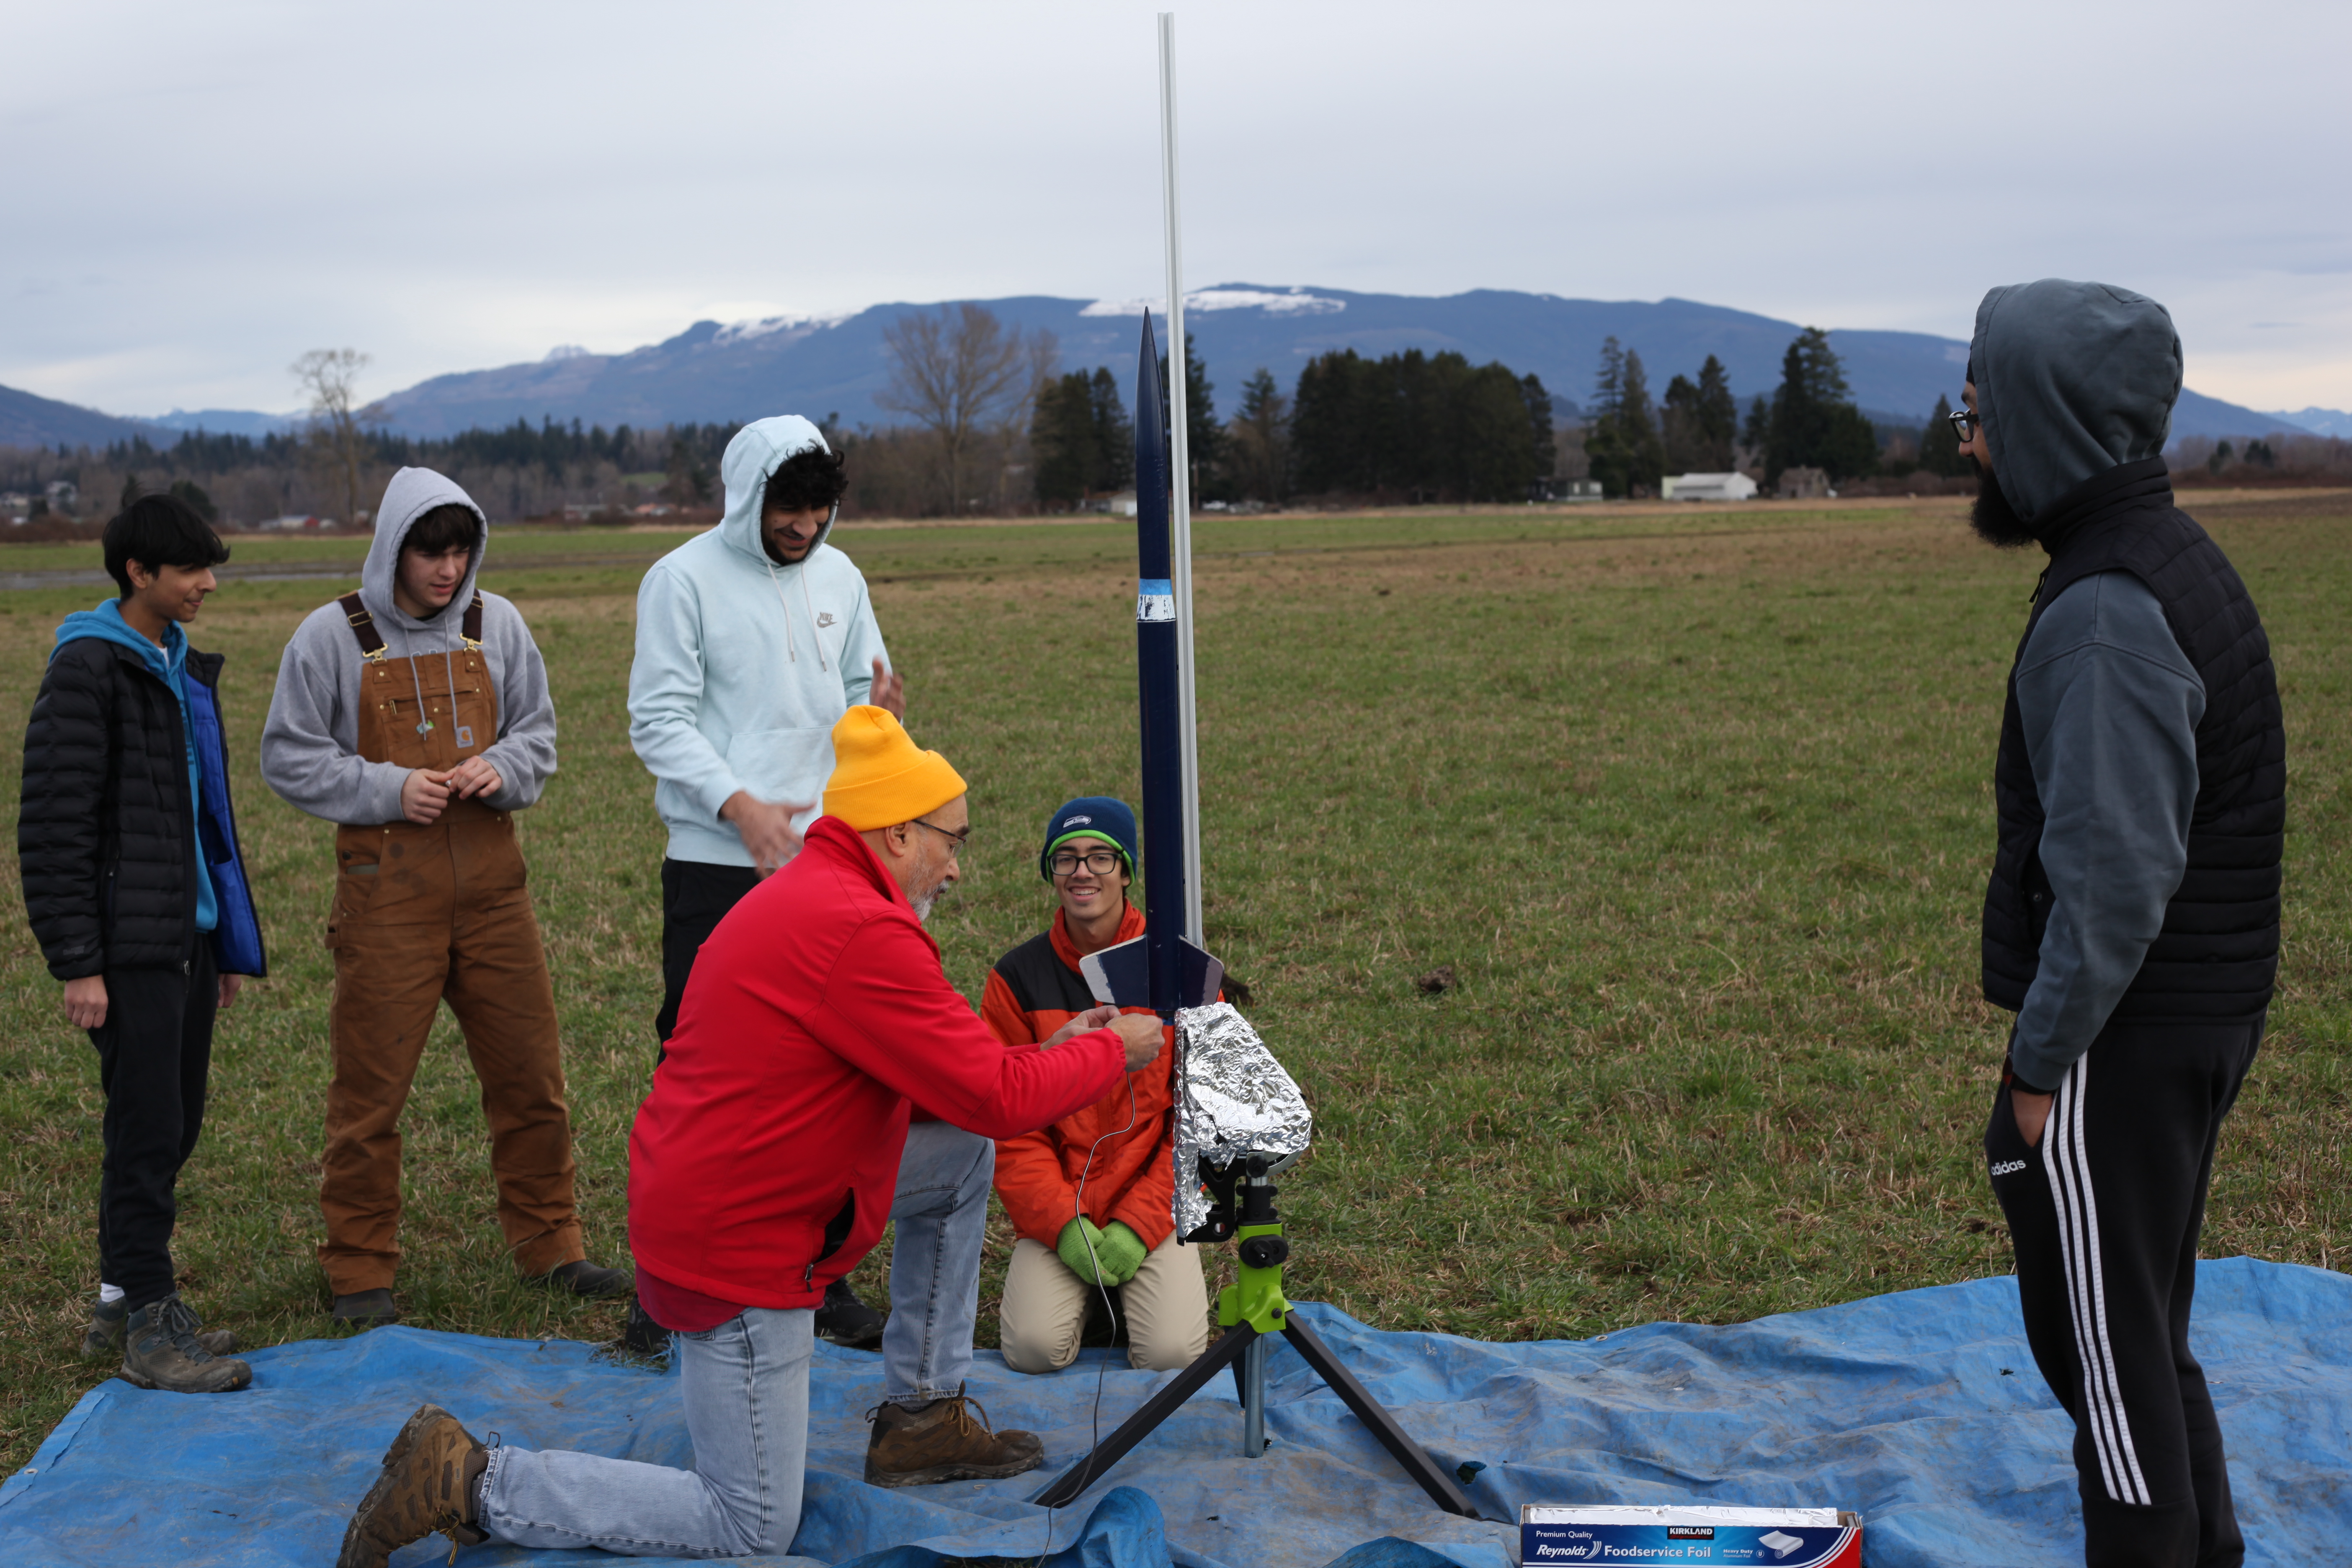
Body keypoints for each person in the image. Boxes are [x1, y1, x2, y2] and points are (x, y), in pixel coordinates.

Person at [335, 706, 1165, 1567]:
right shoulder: (865, 932)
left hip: (728, 1193)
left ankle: (922, 1420)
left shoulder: (821, 894)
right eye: (950, 841)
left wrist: (1053, 1054)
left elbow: (955, 1086)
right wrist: (1112, 1050)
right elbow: (993, 1093)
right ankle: (470, 1480)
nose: (956, 867)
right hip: (739, 1242)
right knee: (750, 1522)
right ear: (894, 833)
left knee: (959, 1160)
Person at [1962, 279, 2281, 1568]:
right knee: (2142, 1337)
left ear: (2048, 426)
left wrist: (2037, 1075)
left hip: (2125, 1041)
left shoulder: (2103, 613)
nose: (1966, 442)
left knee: (2108, 1376)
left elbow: (2112, 887)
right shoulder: (2170, 558)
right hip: (2192, 1019)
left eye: (1981, 413)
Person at [262, 468, 626, 1327]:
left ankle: (552, 1248)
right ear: (395, 545)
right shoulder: (330, 637)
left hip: (497, 896)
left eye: (462, 551)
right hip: (386, 901)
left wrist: (503, 768)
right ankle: (359, 1271)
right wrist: (391, 790)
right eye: (432, 551)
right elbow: (288, 755)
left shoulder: (495, 624)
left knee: (532, 1079)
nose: (449, 569)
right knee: (370, 1097)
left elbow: (539, 731)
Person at [627, 413, 900, 1347]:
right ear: (748, 497)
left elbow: (867, 691)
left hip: (827, 863)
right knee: (705, 1074)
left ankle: (822, 1276)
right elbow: (657, 720)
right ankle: (665, 1290)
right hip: (717, 862)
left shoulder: (842, 575)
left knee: (835, 1070)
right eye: (788, 508)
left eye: (820, 510)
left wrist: (881, 721)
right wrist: (738, 806)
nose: (805, 527)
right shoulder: (682, 580)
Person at [18, 493, 267, 1394]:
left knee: (174, 1122)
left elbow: (205, 820)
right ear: (138, 573)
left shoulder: (174, 665)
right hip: (126, 947)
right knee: (147, 1126)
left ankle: (124, 1301)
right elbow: (53, 827)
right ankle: (150, 1331)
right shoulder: (90, 669)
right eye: (193, 569)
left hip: (185, 939)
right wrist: (79, 962)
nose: (207, 584)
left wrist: (224, 943)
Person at [982, 797, 1208, 1374]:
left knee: (1171, 1355)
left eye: (1101, 858)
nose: (1082, 872)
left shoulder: (1182, 971)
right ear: (1051, 874)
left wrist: (1139, 1225)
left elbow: (1199, 1123)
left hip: (1152, 1211)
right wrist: (1063, 1226)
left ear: (1128, 872)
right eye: (1066, 859)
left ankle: (1127, 1287)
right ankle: (1094, 1295)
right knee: (1032, 1350)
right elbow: (1011, 1123)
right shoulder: (1016, 980)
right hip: (1064, 1210)